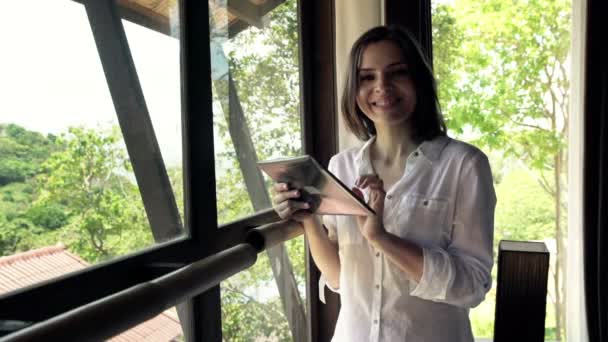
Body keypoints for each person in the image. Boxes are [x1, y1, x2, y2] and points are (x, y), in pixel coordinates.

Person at [273, 25, 496, 342]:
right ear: (354, 89)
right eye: (367, 77)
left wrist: (380, 237)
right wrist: (307, 218)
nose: (382, 87)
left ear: (418, 80)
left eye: (397, 73)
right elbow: (339, 277)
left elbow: (471, 286)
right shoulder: (341, 167)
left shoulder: (464, 165)